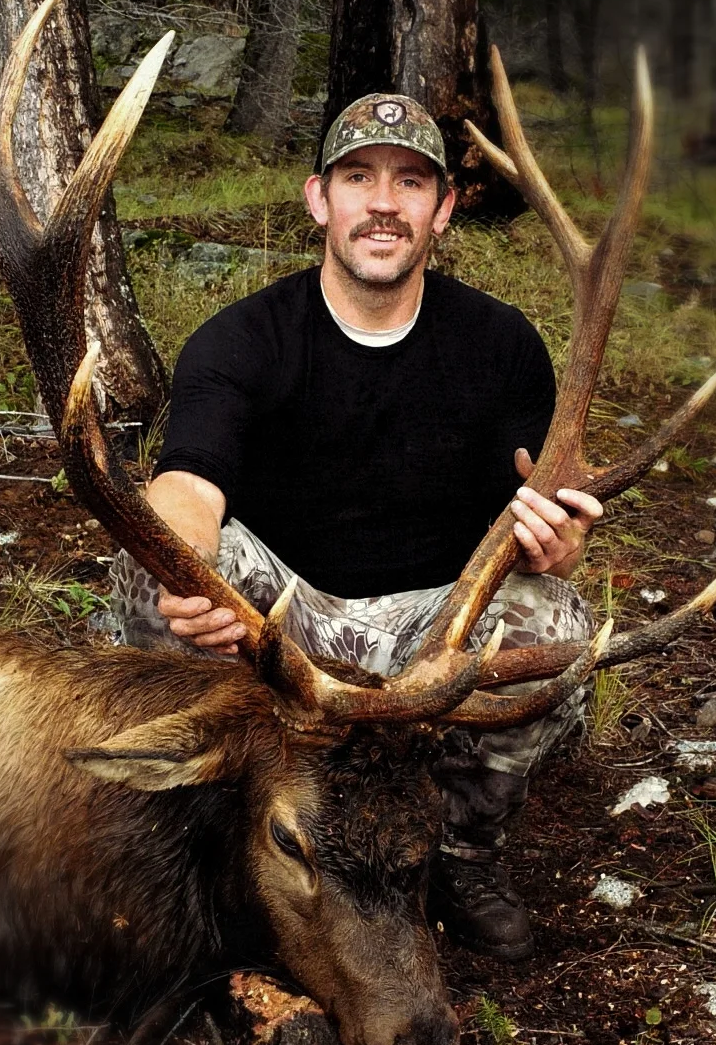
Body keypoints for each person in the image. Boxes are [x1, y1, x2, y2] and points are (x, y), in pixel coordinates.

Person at [109, 94, 603, 961]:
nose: (384, 203)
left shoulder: (503, 344)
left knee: (556, 618)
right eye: (358, 179)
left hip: (431, 628)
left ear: (443, 210)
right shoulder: (241, 340)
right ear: (319, 200)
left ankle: (459, 847)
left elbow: (554, 505)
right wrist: (187, 570)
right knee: (151, 569)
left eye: (411, 182)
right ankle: (230, 826)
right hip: (284, 624)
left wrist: (563, 539)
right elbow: (186, 483)